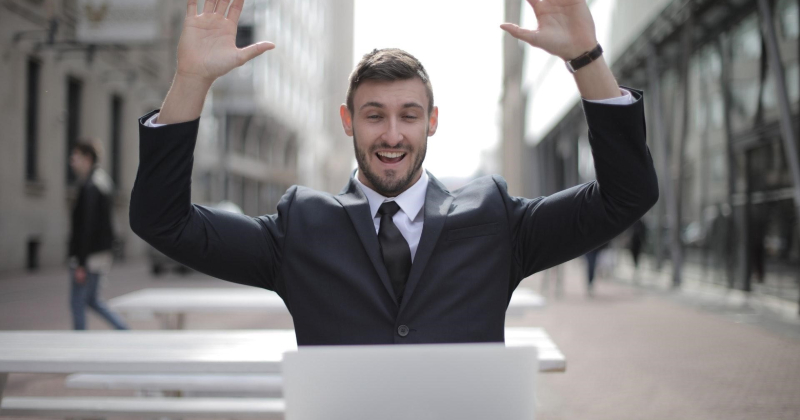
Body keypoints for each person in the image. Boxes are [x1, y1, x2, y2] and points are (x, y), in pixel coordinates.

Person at [130, 0, 658, 345]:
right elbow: (163, 221)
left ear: (431, 122)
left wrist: (587, 59)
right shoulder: (299, 229)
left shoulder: (496, 220)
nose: (391, 135)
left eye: (408, 115)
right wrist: (191, 81)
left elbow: (626, 195)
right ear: (347, 122)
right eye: (374, 115)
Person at [68, 141, 129, 330]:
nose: (72, 161)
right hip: (99, 252)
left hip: (90, 255)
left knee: (78, 301)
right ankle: (125, 331)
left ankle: (80, 343)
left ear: (87, 159)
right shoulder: (101, 181)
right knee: (92, 300)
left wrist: (80, 263)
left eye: (75, 156)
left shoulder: (91, 186)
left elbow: (87, 227)